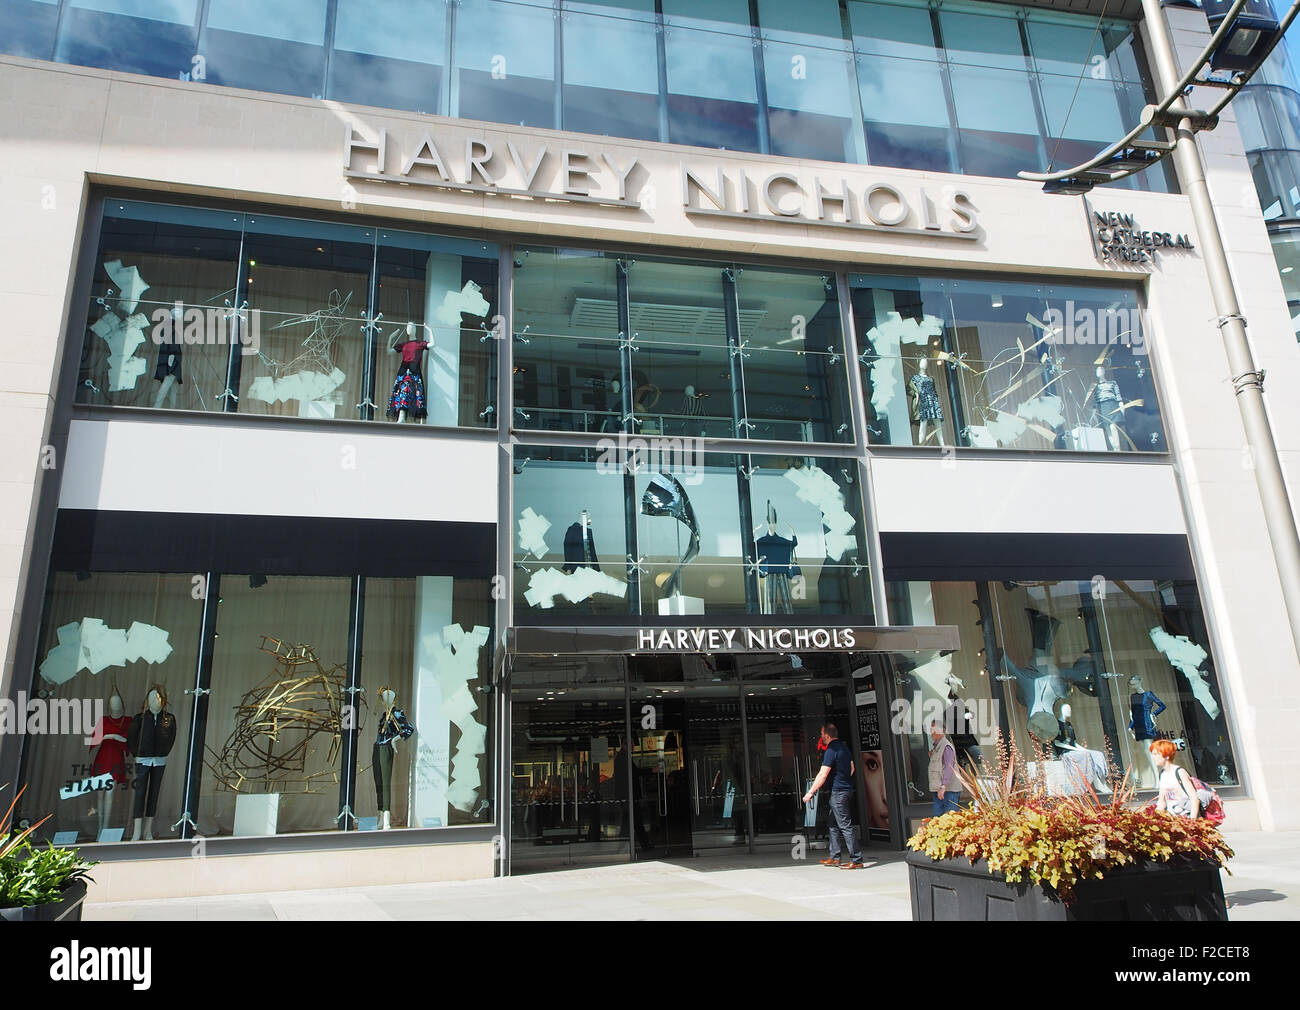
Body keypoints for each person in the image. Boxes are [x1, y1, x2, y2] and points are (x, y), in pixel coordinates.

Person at [802, 722, 863, 869]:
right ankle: (835, 857)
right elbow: (852, 767)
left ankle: (857, 860)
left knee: (845, 826)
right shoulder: (844, 747)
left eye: (822, 734)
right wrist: (844, 779)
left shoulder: (831, 750)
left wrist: (811, 792)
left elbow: (823, 774)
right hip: (845, 790)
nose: (821, 737)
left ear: (827, 735)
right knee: (832, 824)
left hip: (838, 792)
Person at [1151, 739, 1200, 818]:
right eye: (1153, 754)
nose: (1153, 757)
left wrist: (1192, 821)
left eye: (1156, 754)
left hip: (1186, 818)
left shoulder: (1180, 772)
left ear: (1166, 755)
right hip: (1173, 820)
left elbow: (1194, 798)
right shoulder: (1162, 774)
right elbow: (1162, 802)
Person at [928, 718, 962, 816]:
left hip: (948, 791)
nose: (931, 732)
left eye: (933, 728)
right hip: (939, 790)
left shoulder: (946, 746)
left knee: (950, 821)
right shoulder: (937, 747)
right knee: (939, 821)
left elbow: (949, 767)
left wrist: (943, 787)